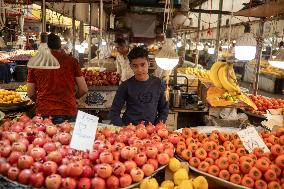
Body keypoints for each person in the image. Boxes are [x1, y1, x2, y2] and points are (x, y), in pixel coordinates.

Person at [27, 33, 88, 124]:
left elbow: (30, 93)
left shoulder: (36, 63)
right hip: (68, 110)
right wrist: (73, 98)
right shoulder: (72, 62)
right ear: (60, 46)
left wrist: (42, 100)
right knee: (68, 138)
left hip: (44, 112)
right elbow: (83, 89)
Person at [109, 46, 169, 126]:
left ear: (149, 63)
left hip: (150, 131)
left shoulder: (159, 83)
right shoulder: (125, 86)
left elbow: (164, 110)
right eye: (135, 66)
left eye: (142, 65)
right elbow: (114, 112)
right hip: (129, 130)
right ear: (131, 66)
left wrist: (157, 126)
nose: (139, 69)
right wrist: (122, 128)